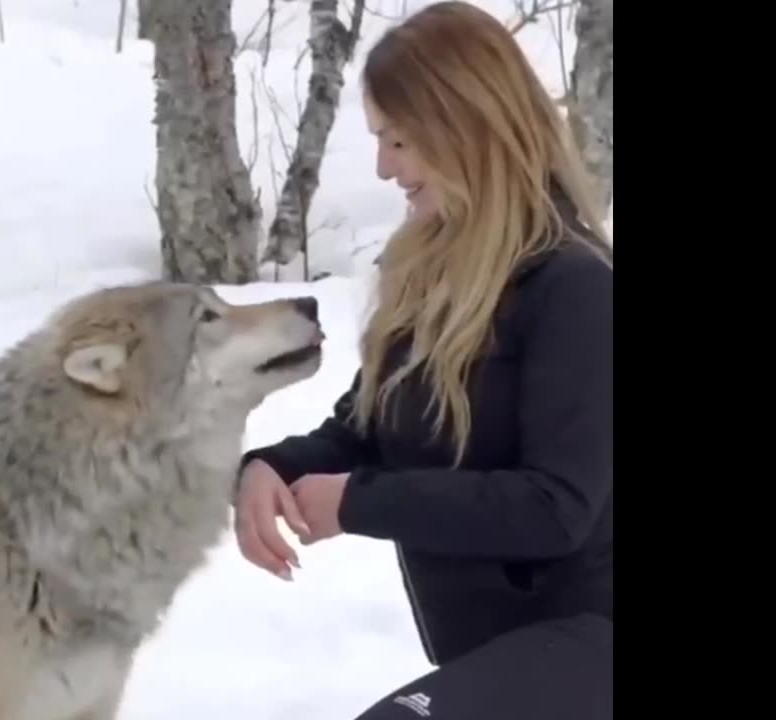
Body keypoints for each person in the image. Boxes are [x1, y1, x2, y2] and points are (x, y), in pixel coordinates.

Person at [232, 3, 613, 719]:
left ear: (465, 127)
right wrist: (270, 468)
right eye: (379, 140)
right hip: (496, 655)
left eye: (399, 140)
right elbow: (364, 432)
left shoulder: (577, 287)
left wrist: (360, 501)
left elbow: (556, 507)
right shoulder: (435, 276)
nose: (383, 167)